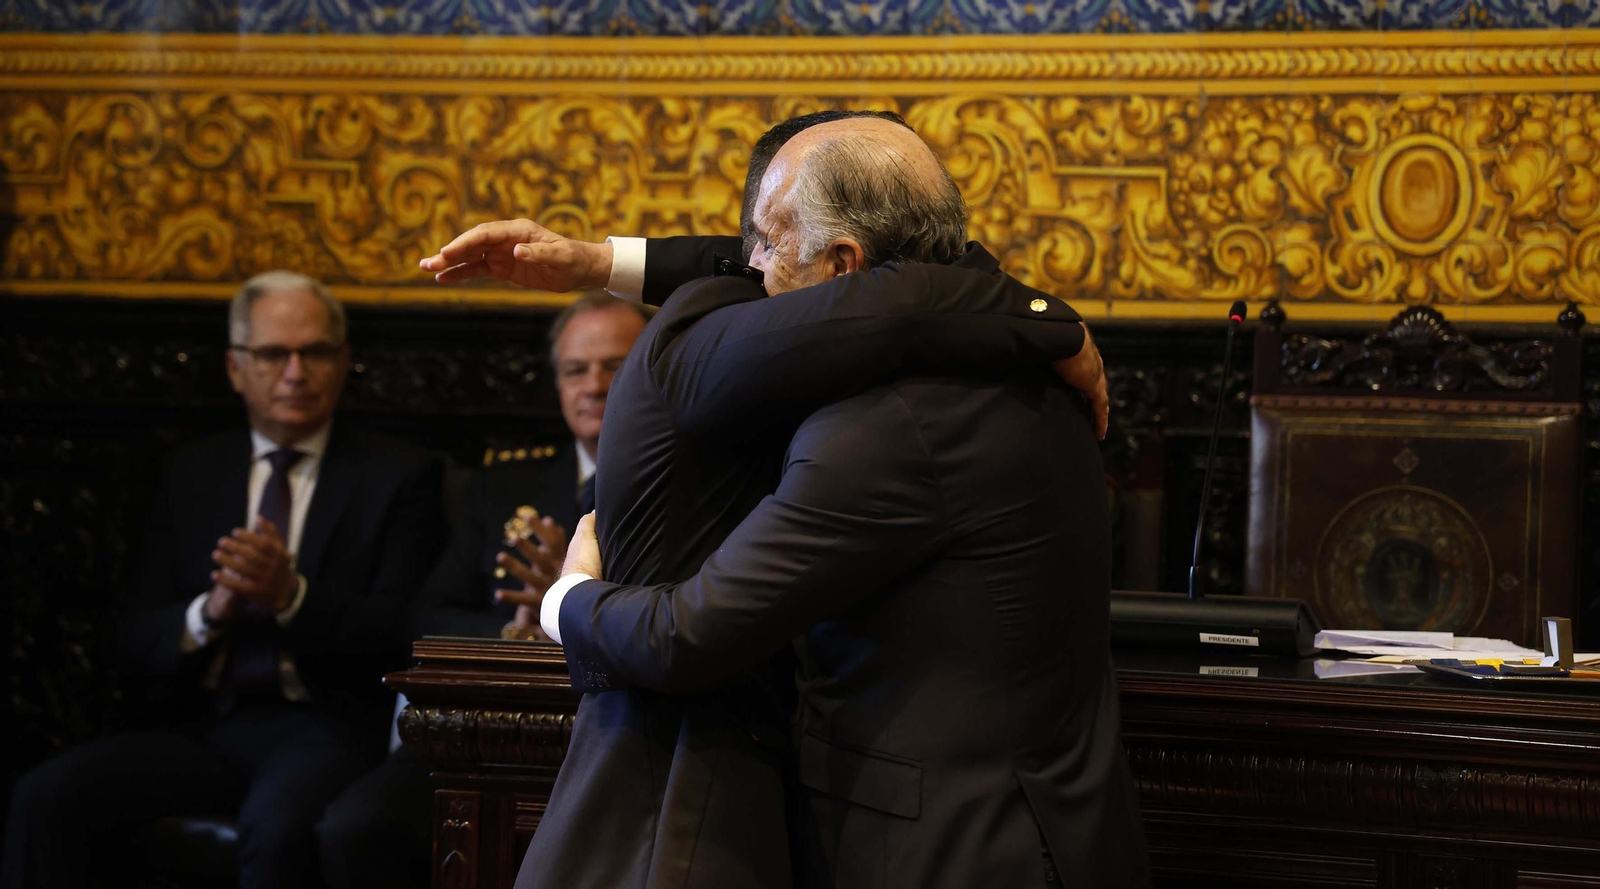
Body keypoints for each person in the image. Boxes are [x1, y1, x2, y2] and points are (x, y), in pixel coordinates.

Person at [420, 109, 1109, 889]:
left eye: (768, 242)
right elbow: (913, 288)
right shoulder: (1018, 366)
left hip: (954, 851)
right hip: (1055, 825)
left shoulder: (889, 428)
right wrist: (595, 260)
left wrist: (568, 598)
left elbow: (685, 635)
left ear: (844, 270)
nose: (750, 269)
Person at [1, 271, 446, 889]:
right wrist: (208, 612)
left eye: (315, 352)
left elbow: (405, 630)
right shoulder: (191, 472)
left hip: (324, 728)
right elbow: (130, 633)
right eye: (272, 354)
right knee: (44, 797)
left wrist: (290, 597)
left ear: (344, 363)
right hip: (204, 725)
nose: (295, 372)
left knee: (278, 829)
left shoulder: (401, 477)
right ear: (237, 368)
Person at [315, 292, 651, 889]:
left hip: (615, 734)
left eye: (615, 366)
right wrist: (520, 628)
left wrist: (571, 602)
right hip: (486, 729)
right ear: (557, 383)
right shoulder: (503, 484)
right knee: (354, 830)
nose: (594, 385)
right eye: (576, 370)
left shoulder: (674, 488)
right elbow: (426, 617)